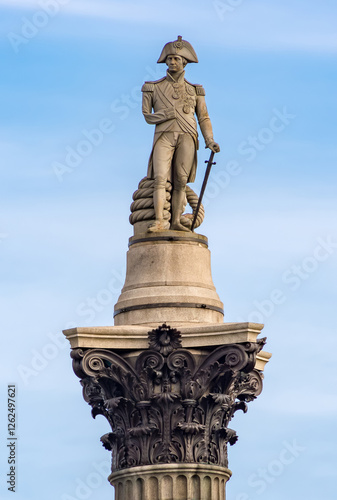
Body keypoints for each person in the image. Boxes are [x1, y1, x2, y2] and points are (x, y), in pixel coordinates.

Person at [141, 36, 220, 232]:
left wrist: (209, 140)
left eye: (176, 58)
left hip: (188, 135)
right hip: (164, 135)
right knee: (160, 178)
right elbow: (147, 116)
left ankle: (175, 221)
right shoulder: (153, 87)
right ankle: (160, 220)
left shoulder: (196, 90)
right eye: (169, 59)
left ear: (184, 61)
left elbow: (203, 117)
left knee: (181, 181)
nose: (172, 62)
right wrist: (165, 114)